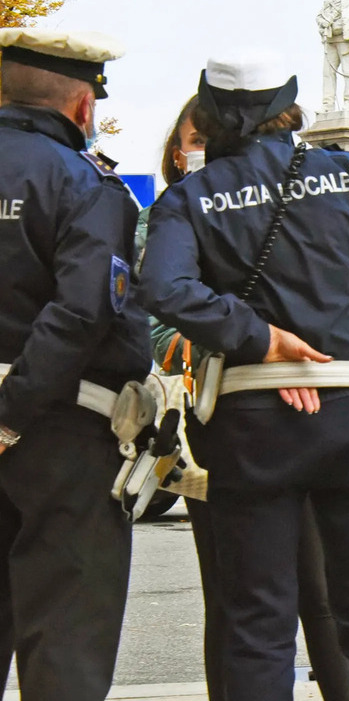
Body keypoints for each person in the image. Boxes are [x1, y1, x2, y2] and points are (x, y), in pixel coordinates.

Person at [138, 51, 349, 701]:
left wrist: (256, 336)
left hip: (249, 422)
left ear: (211, 115)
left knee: (257, 624)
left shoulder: (192, 199)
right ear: (290, 110)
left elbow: (162, 289)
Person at [142, 96, 349, 701]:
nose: (204, 151)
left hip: (312, 411)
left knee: (324, 589)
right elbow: (156, 324)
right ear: (177, 154)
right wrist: (256, 346)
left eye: (213, 139)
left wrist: (296, 346)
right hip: (219, 422)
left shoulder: (288, 205)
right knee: (237, 597)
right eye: (195, 141)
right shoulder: (165, 218)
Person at [0, 29, 152, 700]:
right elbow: (83, 310)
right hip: (60, 429)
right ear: (84, 107)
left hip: (33, 415)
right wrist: (10, 413)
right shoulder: (87, 184)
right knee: (65, 630)